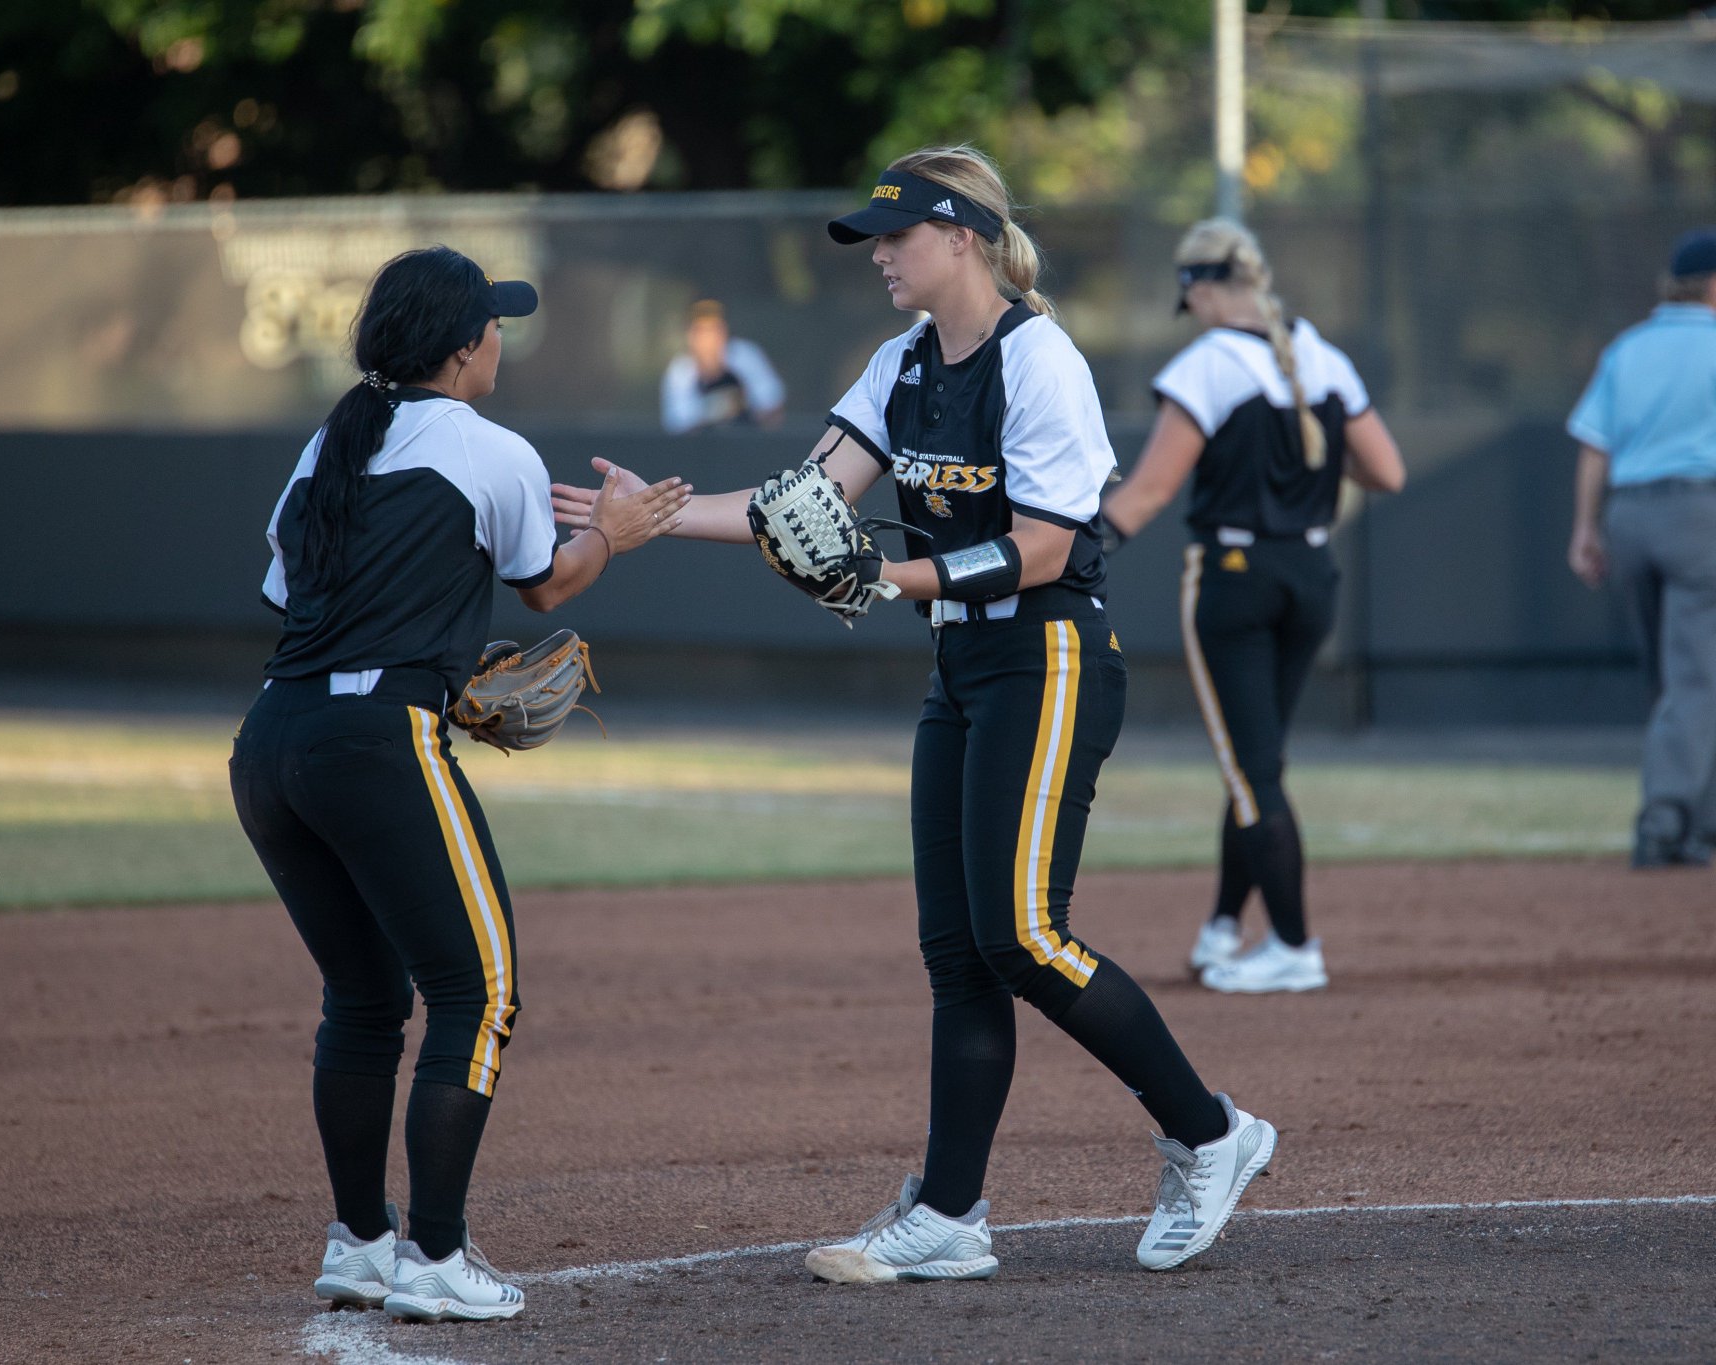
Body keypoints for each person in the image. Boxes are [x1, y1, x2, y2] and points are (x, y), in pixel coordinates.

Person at [553, 146, 1274, 1279]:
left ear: (961, 236)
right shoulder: (899, 364)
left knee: (1022, 934)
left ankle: (1210, 1133)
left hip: (1049, 656)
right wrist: (652, 515)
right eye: (874, 239)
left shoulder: (1038, 359)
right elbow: (802, 499)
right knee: (958, 952)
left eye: (895, 235)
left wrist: (895, 578)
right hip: (964, 664)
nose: (879, 255)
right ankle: (949, 1213)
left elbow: (1047, 545)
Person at [229, 246, 690, 1323]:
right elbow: (548, 587)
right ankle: (435, 1254)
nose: (500, 341)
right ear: (459, 347)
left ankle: (359, 1242)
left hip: (271, 744)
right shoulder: (489, 449)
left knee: (363, 998)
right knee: (477, 994)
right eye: (493, 326)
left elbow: (292, 600)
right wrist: (611, 532)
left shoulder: (328, 445)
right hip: (377, 743)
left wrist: (427, 654)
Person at [1099, 220, 1406, 994]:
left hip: (1236, 577)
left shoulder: (1207, 365)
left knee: (1252, 770)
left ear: (1201, 289)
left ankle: (1295, 946)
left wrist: (1070, 549)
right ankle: (1222, 928)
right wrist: (1304, 461)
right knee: (1255, 763)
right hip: (1311, 573)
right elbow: (1387, 472)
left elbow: (1149, 491)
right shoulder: (1323, 357)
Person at [1567, 227, 1716, 869]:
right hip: (1700, 515)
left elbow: (1594, 445)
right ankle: (1664, 823)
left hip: (1629, 515)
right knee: (1696, 679)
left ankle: (1697, 824)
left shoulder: (1627, 347)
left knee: (1672, 679)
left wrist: (1585, 527)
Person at [660, 299, 786, 433]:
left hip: (747, 441)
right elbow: (679, 425)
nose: (709, 338)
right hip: (702, 445)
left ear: (724, 331)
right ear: (691, 336)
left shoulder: (745, 356)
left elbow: (773, 409)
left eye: (714, 329)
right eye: (701, 331)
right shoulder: (680, 371)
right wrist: (724, 404)